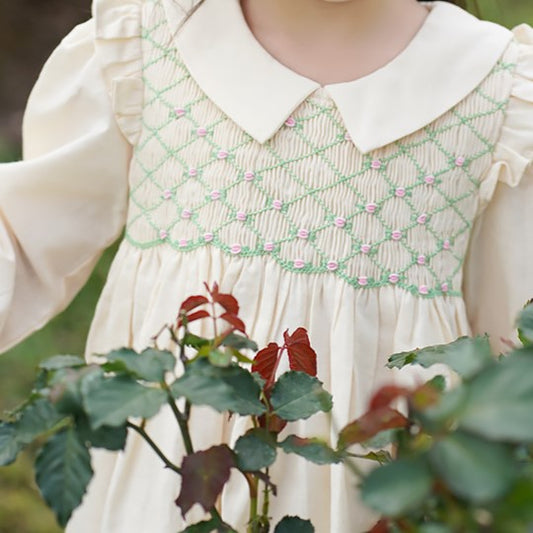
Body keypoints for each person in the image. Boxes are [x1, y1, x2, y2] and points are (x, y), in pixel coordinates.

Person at [1, 0, 532, 531]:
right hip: (159, 498)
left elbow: (509, 355)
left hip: (372, 503)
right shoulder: (148, 43)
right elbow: (21, 238)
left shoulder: (495, 92)